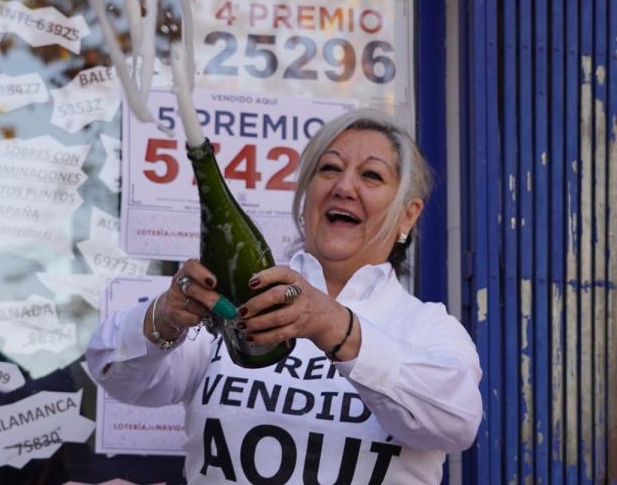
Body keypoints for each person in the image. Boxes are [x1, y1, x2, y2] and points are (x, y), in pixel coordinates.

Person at [86, 108, 482, 484]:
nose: (344, 187)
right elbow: (116, 375)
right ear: (306, 194)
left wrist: (335, 326)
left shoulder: (426, 326)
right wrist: (165, 317)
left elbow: (457, 422)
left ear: (408, 214)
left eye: (371, 176)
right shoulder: (239, 299)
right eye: (329, 169)